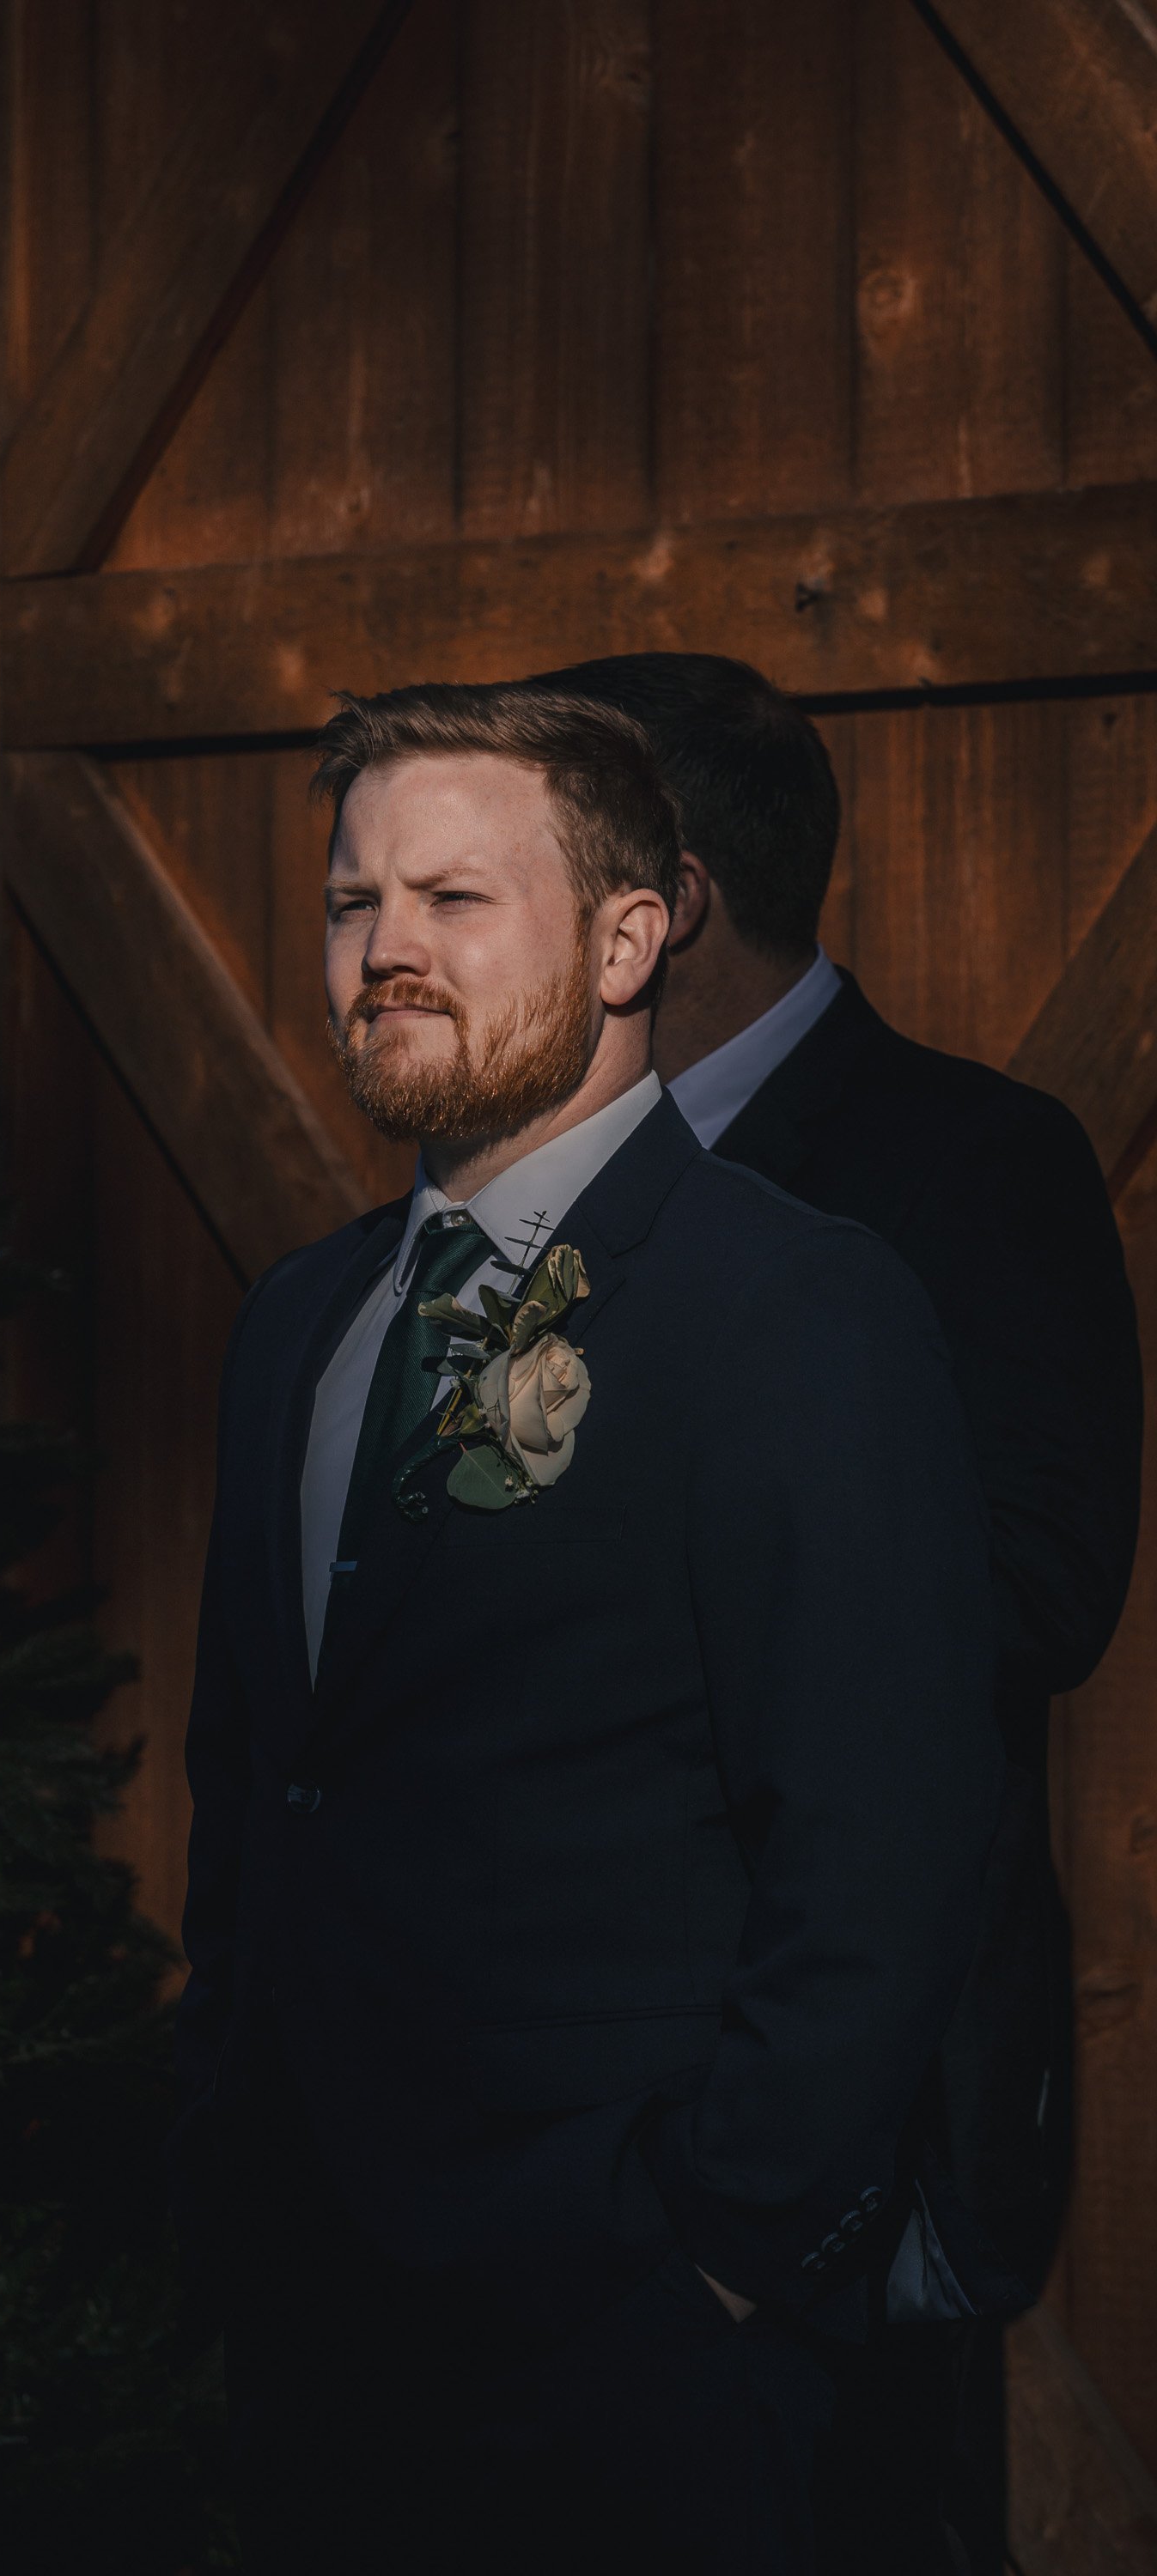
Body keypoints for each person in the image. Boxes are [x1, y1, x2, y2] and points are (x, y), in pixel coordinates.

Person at [170, 677, 1003, 2574]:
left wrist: (719, 2255)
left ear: (635, 935)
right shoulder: (297, 1325)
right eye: (351, 903)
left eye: (455, 901)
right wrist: (218, 2136)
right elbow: (263, 1786)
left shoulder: (792, 1311)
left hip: (630, 2349)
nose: (385, 951)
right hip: (313, 2330)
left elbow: (882, 1844)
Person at [536, 650, 1143, 2574]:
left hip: (828, 2106)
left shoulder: (967, 1164)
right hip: (540, 2101)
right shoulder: (516, 1177)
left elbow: (1039, 1584)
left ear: (670, 899)